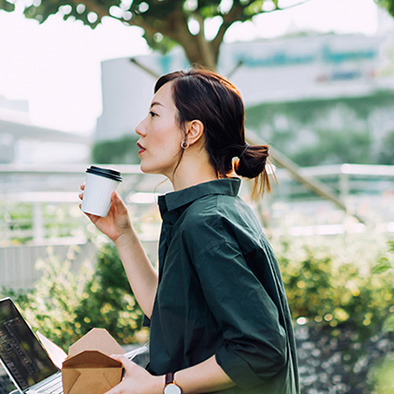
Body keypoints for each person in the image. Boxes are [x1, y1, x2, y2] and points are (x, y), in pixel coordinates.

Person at [79, 68, 299, 394]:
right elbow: (170, 313)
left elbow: (262, 350)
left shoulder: (206, 223)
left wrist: (161, 386)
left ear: (191, 131)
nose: (140, 127)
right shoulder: (211, 211)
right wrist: (123, 235)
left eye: (154, 114)